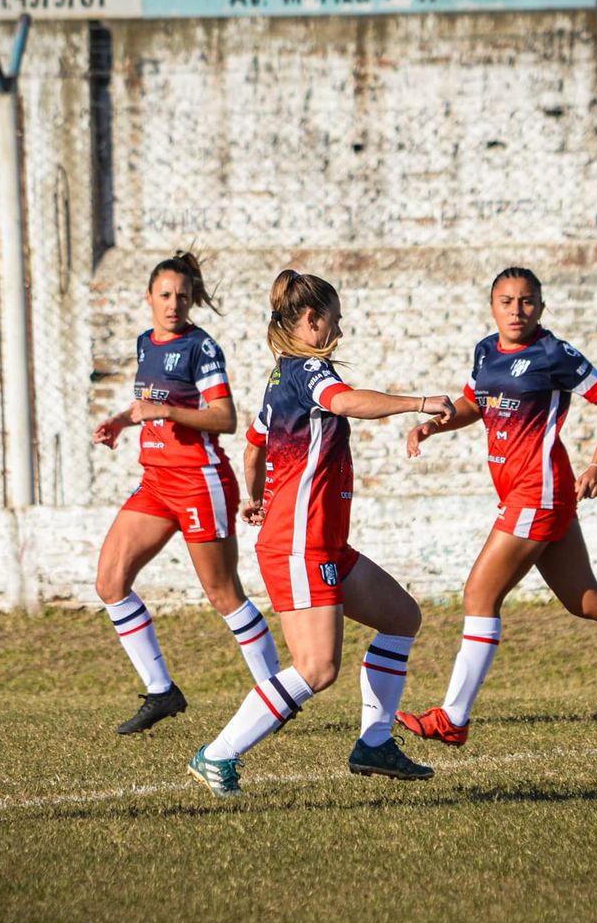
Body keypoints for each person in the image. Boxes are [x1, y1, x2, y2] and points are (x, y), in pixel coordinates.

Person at [394, 268, 597, 748]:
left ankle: (453, 717)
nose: (516, 310)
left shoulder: (553, 354)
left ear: (541, 308)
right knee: (584, 599)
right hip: (526, 494)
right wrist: (433, 427)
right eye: (506, 301)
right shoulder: (485, 350)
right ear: (492, 306)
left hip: (539, 490)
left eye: (527, 302)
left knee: (478, 596)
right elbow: (473, 403)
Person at [186, 270, 454, 797]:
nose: (340, 328)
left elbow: (255, 445)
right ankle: (217, 754)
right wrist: (418, 402)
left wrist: (256, 495)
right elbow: (346, 402)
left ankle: (375, 743)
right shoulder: (309, 370)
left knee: (401, 618)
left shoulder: (279, 375)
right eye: (335, 318)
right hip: (298, 542)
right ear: (311, 320)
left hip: (321, 540)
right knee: (317, 667)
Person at [92, 252, 282, 734]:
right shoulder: (145, 344)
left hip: (200, 481)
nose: (173, 303)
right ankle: (162, 691)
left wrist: (169, 414)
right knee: (110, 583)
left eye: (182, 295)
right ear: (148, 298)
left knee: (223, 595)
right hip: (156, 482)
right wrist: (119, 422)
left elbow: (225, 418)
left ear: (192, 298)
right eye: (164, 295)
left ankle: (277, 697)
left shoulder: (201, 347)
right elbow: (147, 404)